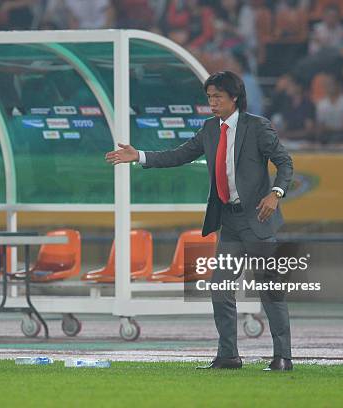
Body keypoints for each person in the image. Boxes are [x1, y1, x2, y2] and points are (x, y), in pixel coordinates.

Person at [105, 71, 294, 371]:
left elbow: (284, 161)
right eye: (209, 97)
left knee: (269, 290)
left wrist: (276, 193)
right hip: (229, 223)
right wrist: (138, 155)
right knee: (220, 289)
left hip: (257, 218)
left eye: (218, 96)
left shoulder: (257, 127)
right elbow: (179, 155)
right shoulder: (209, 129)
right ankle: (229, 356)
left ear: (235, 97)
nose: (212, 103)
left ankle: (282, 356)